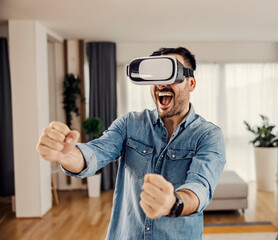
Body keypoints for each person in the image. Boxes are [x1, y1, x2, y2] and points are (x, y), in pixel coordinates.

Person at [36, 47, 226, 239]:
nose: (161, 84)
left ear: (191, 83)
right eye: (155, 77)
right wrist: (65, 154)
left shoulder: (209, 135)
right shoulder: (130, 124)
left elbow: (200, 187)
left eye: (170, 74)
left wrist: (173, 203)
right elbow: (96, 153)